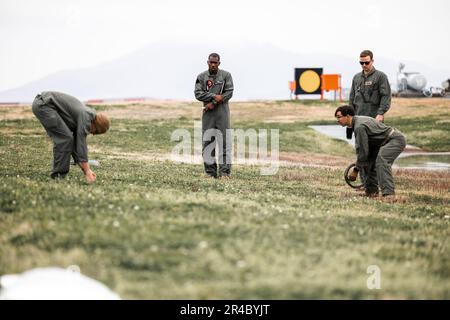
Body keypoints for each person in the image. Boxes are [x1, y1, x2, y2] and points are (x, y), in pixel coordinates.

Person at [32, 91, 110, 183]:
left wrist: (84, 169)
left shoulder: (86, 115)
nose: (92, 133)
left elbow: (76, 144)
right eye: (96, 131)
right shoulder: (85, 117)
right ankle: (58, 176)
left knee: (68, 138)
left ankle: (59, 175)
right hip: (44, 105)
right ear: (96, 124)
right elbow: (81, 145)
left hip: (44, 103)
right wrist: (87, 170)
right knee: (65, 139)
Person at [335, 105, 406, 198]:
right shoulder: (357, 122)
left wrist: (356, 170)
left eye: (339, 117)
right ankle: (371, 192)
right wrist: (362, 164)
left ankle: (389, 194)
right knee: (367, 162)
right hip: (381, 143)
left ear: (348, 116)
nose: (337, 120)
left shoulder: (359, 126)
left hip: (394, 140)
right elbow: (365, 155)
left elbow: (362, 151)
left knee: (381, 161)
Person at [194, 53, 234, 179]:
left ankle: (224, 173)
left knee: (224, 143)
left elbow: (229, 92)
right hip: (208, 115)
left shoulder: (226, 76)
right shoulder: (201, 77)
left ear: (219, 63)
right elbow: (198, 94)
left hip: (222, 114)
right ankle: (210, 172)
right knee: (208, 142)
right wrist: (213, 96)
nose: (213, 64)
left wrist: (214, 103)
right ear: (207, 62)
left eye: (215, 63)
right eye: (211, 62)